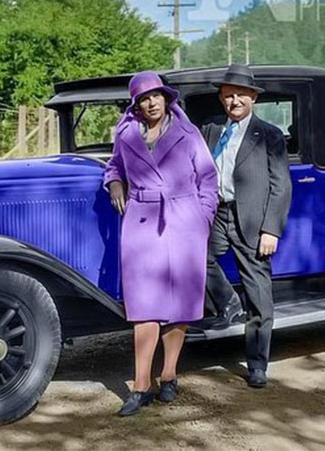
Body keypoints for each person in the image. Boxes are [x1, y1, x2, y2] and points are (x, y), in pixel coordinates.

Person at [104, 70, 219, 415]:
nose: (151, 102)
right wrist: (115, 184)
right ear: (135, 104)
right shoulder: (126, 133)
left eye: (156, 95)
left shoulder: (188, 133)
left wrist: (202, 219)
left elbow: (209, 179)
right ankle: (141, 385)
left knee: (179, 305)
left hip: (184, 221)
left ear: (167, 98)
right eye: (143, 98)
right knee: (144, 306)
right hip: (141, 221)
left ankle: (168, 373)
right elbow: (113, 166)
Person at [201, 64, 292, 389]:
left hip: (252, 222)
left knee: (258, 293)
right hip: (217, 215)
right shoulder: (211, 129)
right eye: (227, 96)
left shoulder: (269, 135)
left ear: (253, 97)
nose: (233, 101)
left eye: (240, 95)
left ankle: (257, 364)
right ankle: (228, 301)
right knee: (198, 258)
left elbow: (281, 185)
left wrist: (271, 229)